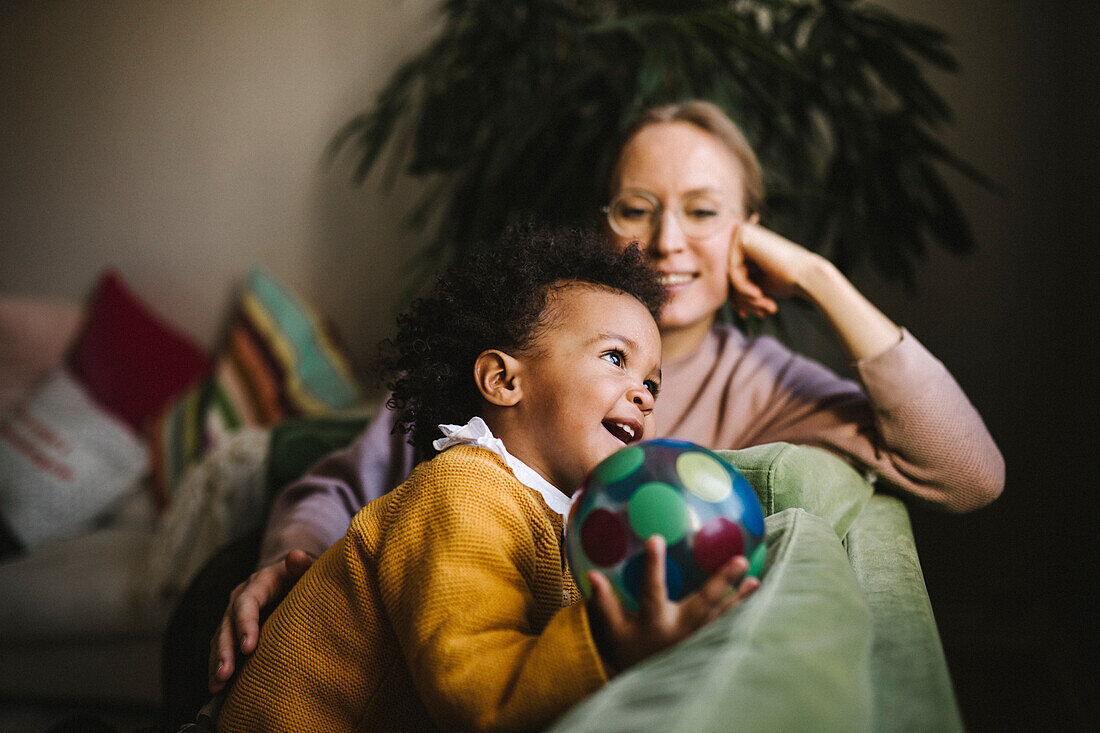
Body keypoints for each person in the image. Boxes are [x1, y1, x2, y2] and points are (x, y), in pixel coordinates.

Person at [205, 100, 1004, 697]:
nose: (666, 240)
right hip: (365, 634)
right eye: (636, 207)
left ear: (748, 233)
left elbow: (970, 474)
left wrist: (819, 278)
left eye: (704, 211)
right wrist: (285, 557)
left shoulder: (763, 382)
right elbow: (341, 482)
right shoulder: (530, 351)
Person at [213, 225, 759, 732]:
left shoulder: (564, 518)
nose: (642, 393)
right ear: (502, 380)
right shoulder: (463, 489)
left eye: (653, 384)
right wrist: (609, 641)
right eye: (615, 358)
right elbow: (476, 693)